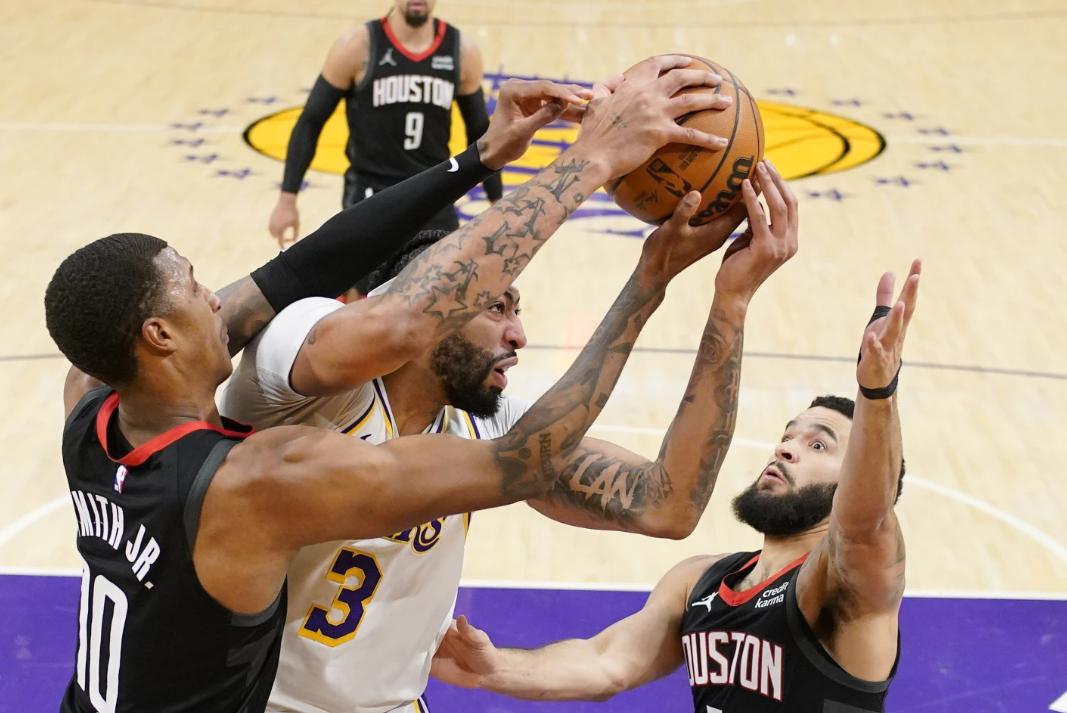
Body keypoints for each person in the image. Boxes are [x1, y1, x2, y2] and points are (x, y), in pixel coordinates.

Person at [46, 67, 710, 713]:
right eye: (195, 287)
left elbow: (297, 266)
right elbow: (497, 432)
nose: (220, 300)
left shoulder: (93, 407)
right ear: (160, 335)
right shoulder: (252, 480)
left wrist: (476, 158)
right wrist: (596, 173)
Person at [221, 92, 793, 713]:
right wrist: (589, 160)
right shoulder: (293, 371)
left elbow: (665, 506)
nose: (517, 334)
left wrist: (721, 303)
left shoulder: (491, 432)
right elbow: (400, 323)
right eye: (498, 306)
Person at [430, 260, 922, 713]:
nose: (786, 449)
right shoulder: (698, 581)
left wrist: (877, 392)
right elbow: (608, 662)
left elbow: (864, 519)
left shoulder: (849, 581)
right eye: (788, 435)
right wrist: (497, 668)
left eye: (819, 446)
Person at [269, 0, 503, 255]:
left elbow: (480, 132)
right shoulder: (358, 47)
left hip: (433, 190)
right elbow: (310, 122)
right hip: (370, 193)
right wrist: (287, 198)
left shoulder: (461, 51)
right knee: (366, 291)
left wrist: (497, 204)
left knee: (442, 289)